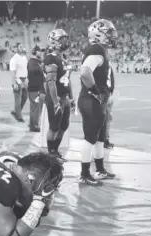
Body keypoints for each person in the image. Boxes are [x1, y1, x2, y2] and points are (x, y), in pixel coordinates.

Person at [78, 19, 117, 185]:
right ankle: (85, 173)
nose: (111, 36)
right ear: (98, 35)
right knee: (90, 138)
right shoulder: (96, 49)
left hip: (97, 100)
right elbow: (85, 72)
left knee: (100, 138)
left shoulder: (101, 49)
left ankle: (100, 170)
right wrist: (96, 92)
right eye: (108, 33)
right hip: (91, 100)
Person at [43, 29, 73, 161]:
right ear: (53, 42)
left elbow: (67, 80)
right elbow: (50, 82)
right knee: (54, 127)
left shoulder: (64, 58)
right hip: (56, 97)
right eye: (62, 40)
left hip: (65, 97)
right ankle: (51, 153)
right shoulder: (51, 58)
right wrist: (55, 102)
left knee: (63, 127)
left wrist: (71, 97)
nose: (65, 42)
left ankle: (56, 151)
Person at [27, 45, 46, 132]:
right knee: (35, 107)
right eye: (39, 51)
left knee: (37, 107)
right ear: (35, 52)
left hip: (38, 88)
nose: (41, 53)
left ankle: (33, 123)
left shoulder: (37, 62)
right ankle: (34, 125)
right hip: (34, 88)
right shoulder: (32, 62)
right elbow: (31, 72)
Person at [9, 43, 28, 123]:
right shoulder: (14, 59)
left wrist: (27, 78)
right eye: (20, 47)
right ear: (16, 49)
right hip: (18, 79)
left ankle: (15, 111)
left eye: (22, 46)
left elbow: (25, 69)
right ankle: (19, 116)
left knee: (25, 97)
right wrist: (14, 83)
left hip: (24, 78)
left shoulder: (24, 57)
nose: (21, 48)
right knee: (18, 99)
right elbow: (13, 72)